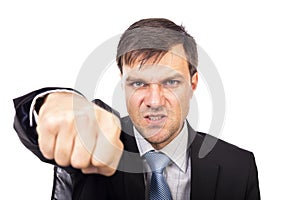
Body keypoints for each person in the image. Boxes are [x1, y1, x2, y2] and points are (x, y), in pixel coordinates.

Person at [13, 18, 260, 200]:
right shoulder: (91, 145)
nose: (154, 101)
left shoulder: (239, 167)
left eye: (171, 82)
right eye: (139, 83)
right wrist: (51, 105)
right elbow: (35, 125)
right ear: (123, 83)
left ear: (192, 83)